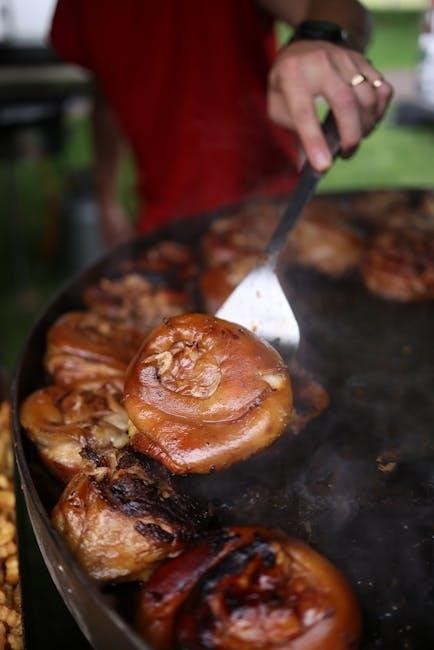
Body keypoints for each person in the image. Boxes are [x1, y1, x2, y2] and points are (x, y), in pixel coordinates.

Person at [50, 0, 392, 246]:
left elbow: (340, 7)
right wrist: (106, 198)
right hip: (162, 213)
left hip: (270, 209)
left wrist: (320, 37)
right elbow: (105, 94)